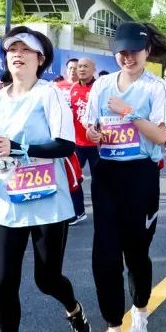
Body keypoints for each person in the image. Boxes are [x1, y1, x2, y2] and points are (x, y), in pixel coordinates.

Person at [0, 26, 91, 332]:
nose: (18, 55)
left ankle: (73, 309)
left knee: (46, 279)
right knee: (3, 282)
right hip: (8, 199)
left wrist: (20, 148)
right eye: (12, 50)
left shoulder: (49, 94)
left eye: (26, 49)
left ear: (41, 59)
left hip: (47, 199)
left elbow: (65, 145)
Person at [84, 22, 166, 332]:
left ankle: (140, 310)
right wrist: (94, 133)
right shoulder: (102, 85)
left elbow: (161, 137)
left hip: (141, 176)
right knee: (104, 254)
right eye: (122, 52)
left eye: (134, 52)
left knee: (136, 253)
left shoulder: (156, 87)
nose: (128, 58)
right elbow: (91, 127)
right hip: (106, 175)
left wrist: (128, 113)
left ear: (147, 51)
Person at [66, 57, 98, 225]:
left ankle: (102, 211)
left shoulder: (99, 88)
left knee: (99, 181)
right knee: (74, 179)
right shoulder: (73, 89)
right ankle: (78, 212)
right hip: (77, 144)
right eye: (79, 67)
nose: (82, 69)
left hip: (97, 145)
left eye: (86, 66)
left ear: (94, 69)